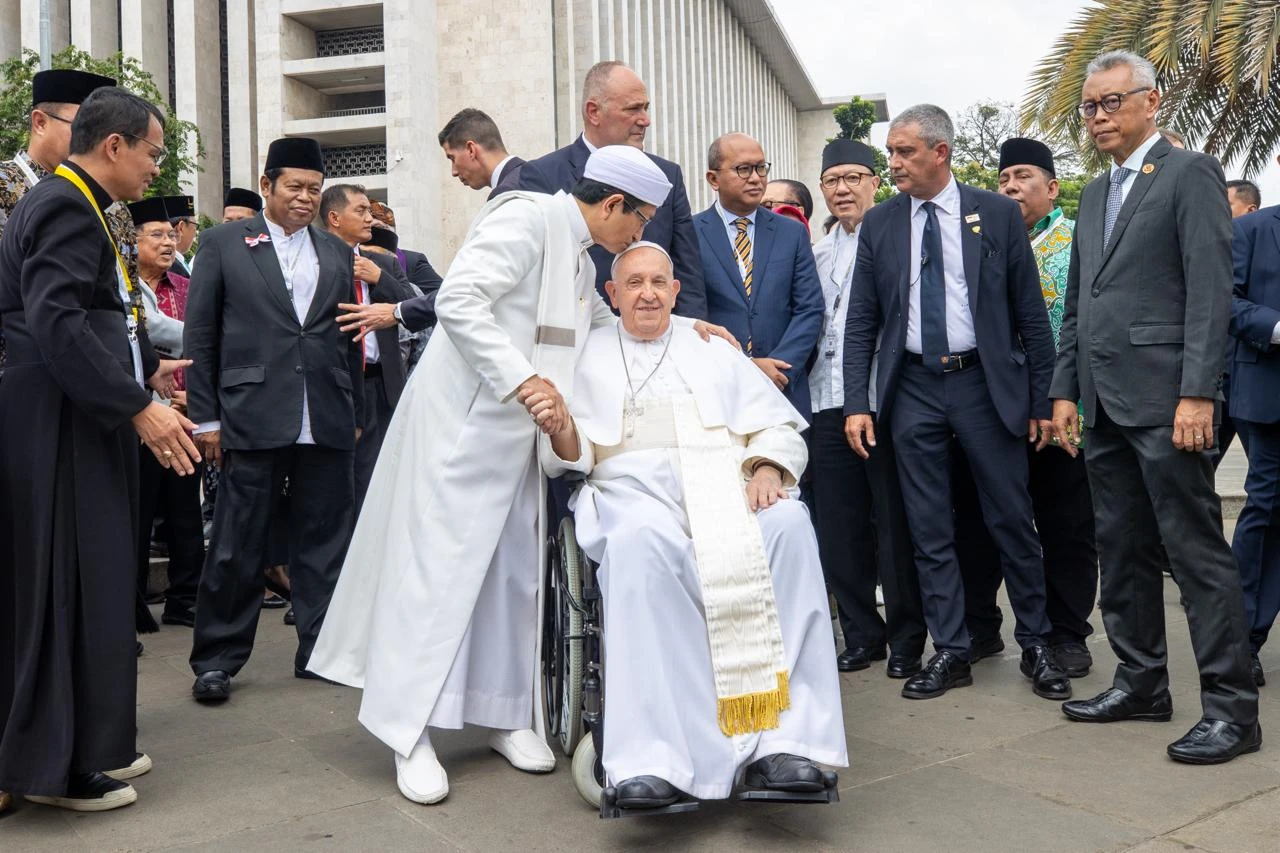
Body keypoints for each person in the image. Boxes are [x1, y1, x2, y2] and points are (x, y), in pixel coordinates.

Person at [309, 145, 728, 806]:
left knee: (513, 580)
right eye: (640, 220)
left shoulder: (583, 261)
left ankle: (505, 713)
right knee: (435, 577)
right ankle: (405, 730)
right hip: (462, 429)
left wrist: (687, 327)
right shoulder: (526, 218)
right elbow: (462, 302)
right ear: (613, 204)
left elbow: (599, 327)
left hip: (522, 441)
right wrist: (522, 377)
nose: (639, 236)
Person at [538, 241, 846, 807]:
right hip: (632, 491)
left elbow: (776, 425)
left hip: (728, 484)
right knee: (640, 543)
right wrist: (560, 427)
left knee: (790, 523)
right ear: (612, 294)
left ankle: (786, 744)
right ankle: (655, 759)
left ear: (677, 291)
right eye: (634, 284)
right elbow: (574, 456)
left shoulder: (714, 347)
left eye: (660, 282)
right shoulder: (585, 356)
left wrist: (768, 468)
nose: (649, 293)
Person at [1050, 50, 1259, 764]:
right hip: (1104, 404)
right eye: (1090, 106)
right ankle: (1141, 682)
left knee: (1196, 554)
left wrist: (1199, 390)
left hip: (1169, 399)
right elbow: (1082, 300)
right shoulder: (1093, 193)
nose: (1100, 116)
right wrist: (1063, 389)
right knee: (1122, 548)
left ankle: (1233, 710)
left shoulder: (1188, 173)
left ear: (1151, 102)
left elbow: (1210, 286)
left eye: (1112, 102)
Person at [0, 85, 198, 812]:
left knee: (83, 586)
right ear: (113, 145)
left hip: (73, 417)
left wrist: (139, 375)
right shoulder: (61, 205)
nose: (155, 170)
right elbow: (55, 324)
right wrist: (139, 406)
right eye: (151, 153)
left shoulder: (74, 201)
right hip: (60, 426)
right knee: (67, 589)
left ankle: (74, 744)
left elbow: (89, 318)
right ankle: (57, 763)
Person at [843, 104, 1069, 703]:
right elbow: (860, 321)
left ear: (939, 152)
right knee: (928, 526)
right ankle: (951, 649)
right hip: (911, 388)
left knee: (1010, 517)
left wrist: (1044, 400)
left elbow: (1030, 317)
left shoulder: (994, 213)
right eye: (890, 153)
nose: (892, 164)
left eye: (904, 153)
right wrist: (855, 403)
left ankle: (1037, 643)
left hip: (983, 385)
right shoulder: (882, 223)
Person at [184, 136, 365, 702]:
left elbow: (347, 336)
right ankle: (217, 658)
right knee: (238, 540)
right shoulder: (223, 244)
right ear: (267, 186)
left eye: (314, 189)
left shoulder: (336, 252)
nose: (306, 198)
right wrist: (205, 418)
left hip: (326, 414)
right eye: (295, 187)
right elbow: (201, 336)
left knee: (324, 540)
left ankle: (319, 649)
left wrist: (352, 408)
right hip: (250, 414)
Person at [955, 138, 1100, 678]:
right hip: (994, 410)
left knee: (1065, 524)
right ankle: (981, 627)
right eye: (1004, 179)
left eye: (1023, 176)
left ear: (1053, 187)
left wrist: (1059, 399)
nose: (1011, 187)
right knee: (983, 520)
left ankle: (1066, 633)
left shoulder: (1076, 240)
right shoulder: (983, 240)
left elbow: (1075, 329)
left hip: (1064, 410)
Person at [807, 139, 926, 678]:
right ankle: (861, 635)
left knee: (893, 522)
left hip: (882, 401)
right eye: (833, 180)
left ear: (875, 183)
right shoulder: (815, 251)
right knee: (839, 525)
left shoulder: (897, 239)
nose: (843, 188)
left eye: (855, 177)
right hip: (822, 401)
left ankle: (906, 638)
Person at [511, 60, 708, 319]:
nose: (645, 120)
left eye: (646, 108)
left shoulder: (666, 176)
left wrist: (691, 333)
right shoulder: (541, 176)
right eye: (633, 109)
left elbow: (686, 271)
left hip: (651, 341)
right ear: (593, 112)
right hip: (569, 340)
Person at [695, 133, 823, 416]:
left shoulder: (792, 233)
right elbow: (691, 316)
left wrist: (779, 364)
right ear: (713, 179)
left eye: (761, 168)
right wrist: (746, 366)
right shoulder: (690, 234)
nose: (755, 178)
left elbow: (809, 309)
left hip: (783, 385)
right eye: (743, 169)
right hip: (718, 388)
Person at [0, 69, 116, 379]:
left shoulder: (112, 206)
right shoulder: (4, 187)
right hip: (20, 378)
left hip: (97, 377)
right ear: (40, 122)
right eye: (82, 126)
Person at [128, 196, 206, 628]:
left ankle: (185, 599)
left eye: (172, 235)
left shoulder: (185, 287)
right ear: (132, 241)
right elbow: (148, 331)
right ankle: (133, 605)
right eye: (156, 235)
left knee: (185, 516)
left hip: (182, 415)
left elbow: (198, 351)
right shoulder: (122, 284)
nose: (168, 243)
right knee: (137, 517)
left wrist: (193, 399)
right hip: (138, 418)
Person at [319, 184, 416, 506]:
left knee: (380, 478)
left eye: (370, 212)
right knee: (339, 481)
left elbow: (416, 310)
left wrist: (379, 279)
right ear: (334, 217)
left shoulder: (382, 264)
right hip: (338, 385)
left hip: (381, 384)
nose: (370, 219)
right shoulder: (315, 263)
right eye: (360, 211)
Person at [1227, 201, 1280, 687]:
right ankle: (1244, 640)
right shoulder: (1251, 229)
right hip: (1270, 394)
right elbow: (1225, 299)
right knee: (1266, 509)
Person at [438, 107, 525, 199]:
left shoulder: (509, 194)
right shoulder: (530, 178)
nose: (454, 172)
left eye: (452, 158)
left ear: (471, 150)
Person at [165, 194, 197, 277]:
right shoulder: (172, 268)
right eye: (195, 226)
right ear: (181, 228)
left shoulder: (176, 263)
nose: (195, 234)